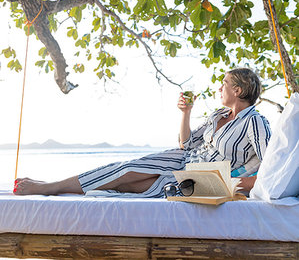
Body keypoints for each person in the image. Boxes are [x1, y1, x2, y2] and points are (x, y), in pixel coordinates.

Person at [14, 68, 271, 197]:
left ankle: (56, 189)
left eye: (224, 84)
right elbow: (186, 144)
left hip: (206, 177)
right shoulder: (218, 115)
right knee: (125, 168)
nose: (219, 88)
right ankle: (52, 186)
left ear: (238, 91)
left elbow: (270, 167)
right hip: (182, 159)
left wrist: (231, 185)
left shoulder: (255, 123)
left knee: (133, 185)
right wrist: (186, 112)